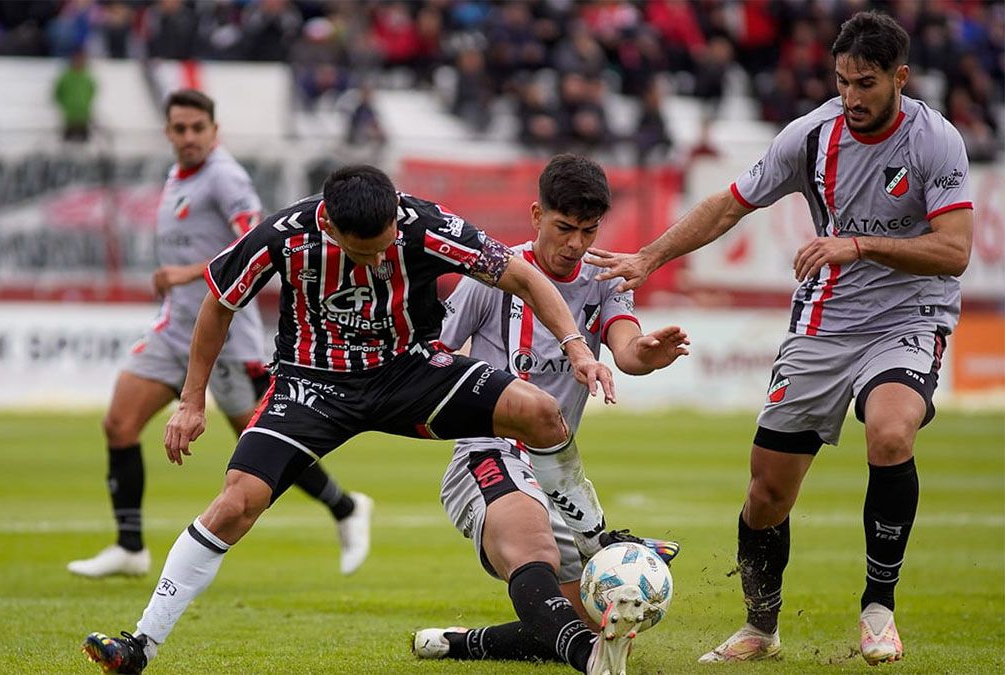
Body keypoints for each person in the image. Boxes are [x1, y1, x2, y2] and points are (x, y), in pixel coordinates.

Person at [82, 164, 621, 673]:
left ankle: (594, 537)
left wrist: (576, 346)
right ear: (332, 229)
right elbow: (220, 301)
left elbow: (523, 277)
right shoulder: (285, 235)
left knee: (541, 412)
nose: (381, 257)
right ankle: (140, 645)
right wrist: (192, 400)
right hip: (313, 383)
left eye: (388, 241)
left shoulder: (425, 225)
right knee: (235, 503)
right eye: (366, 253)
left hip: (407, 371)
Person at [587, 12, 974, 666]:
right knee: (766, 493)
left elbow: (956, 249)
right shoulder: (812, 136)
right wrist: (650, 258)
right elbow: (731, 203)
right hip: (825, 323)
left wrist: (857, 244)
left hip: (909, 317)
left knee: (889, 432)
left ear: (900, 79)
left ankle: (878, 605)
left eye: (868, 84)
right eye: (843, 81)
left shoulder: (936, 142)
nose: (852, 97)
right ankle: (760, 628)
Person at [67, 89, 372, 580]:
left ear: (214, 130)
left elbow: (254, 236)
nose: (188, 138)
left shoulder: (225, 176)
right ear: (168, 132)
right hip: (174, 329)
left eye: (197, 129)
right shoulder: (179, 175)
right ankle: (129, 547)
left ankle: (345, 507)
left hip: (226, 334)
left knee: (265, 445)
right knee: (118, 424)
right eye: (179, 129)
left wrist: (189, 273)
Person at [411, 154, 687, 675]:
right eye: (564, 228)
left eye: (588, 230)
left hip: (557, 474)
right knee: (533, 548)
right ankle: (594, 665)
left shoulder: (603, 280)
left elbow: (626, 350)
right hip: (486, 454)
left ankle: (461, 643)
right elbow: (434, 352)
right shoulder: (492, 274)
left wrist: (648, 354)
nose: (576, 244)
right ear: (537, 216)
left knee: (585, 618)